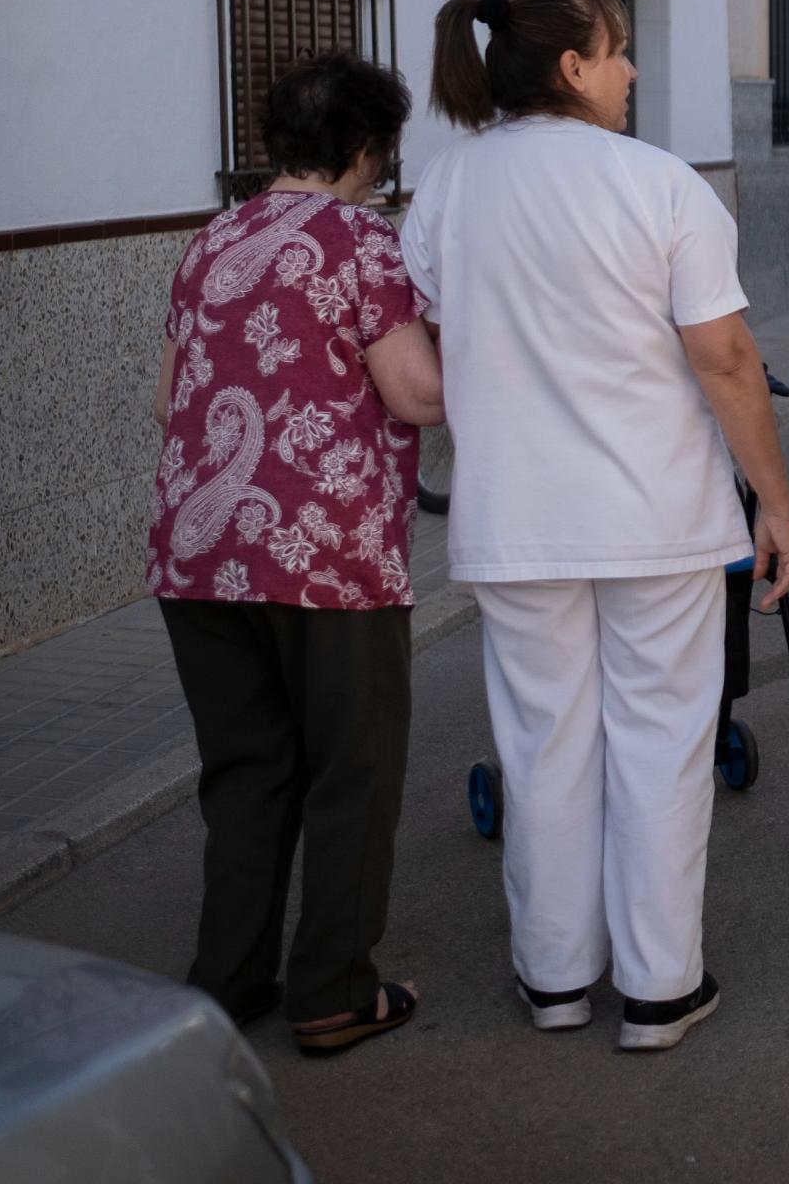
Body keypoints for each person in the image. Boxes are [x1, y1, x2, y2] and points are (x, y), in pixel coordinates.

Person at [400, 0, 789, 1053]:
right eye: (618, 52)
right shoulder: (660, 185)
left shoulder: (449, 186)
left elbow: (436, 336)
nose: (630, 71)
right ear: (573, 66)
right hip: (656, 516)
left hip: (513, 519)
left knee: (543, 749)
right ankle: (660, 990)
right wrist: (774, 499)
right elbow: (726, 361)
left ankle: (556, 978)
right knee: (662, 743)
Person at [146, 52, 444, 1058]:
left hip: (197, 555)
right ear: (363, 147)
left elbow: (167, 400)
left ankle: (227, 982)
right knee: (352, 770)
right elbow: (415, 392)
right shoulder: (362, 241)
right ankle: (331, 990)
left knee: (246, 771)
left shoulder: (209, 240)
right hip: (327, 555)